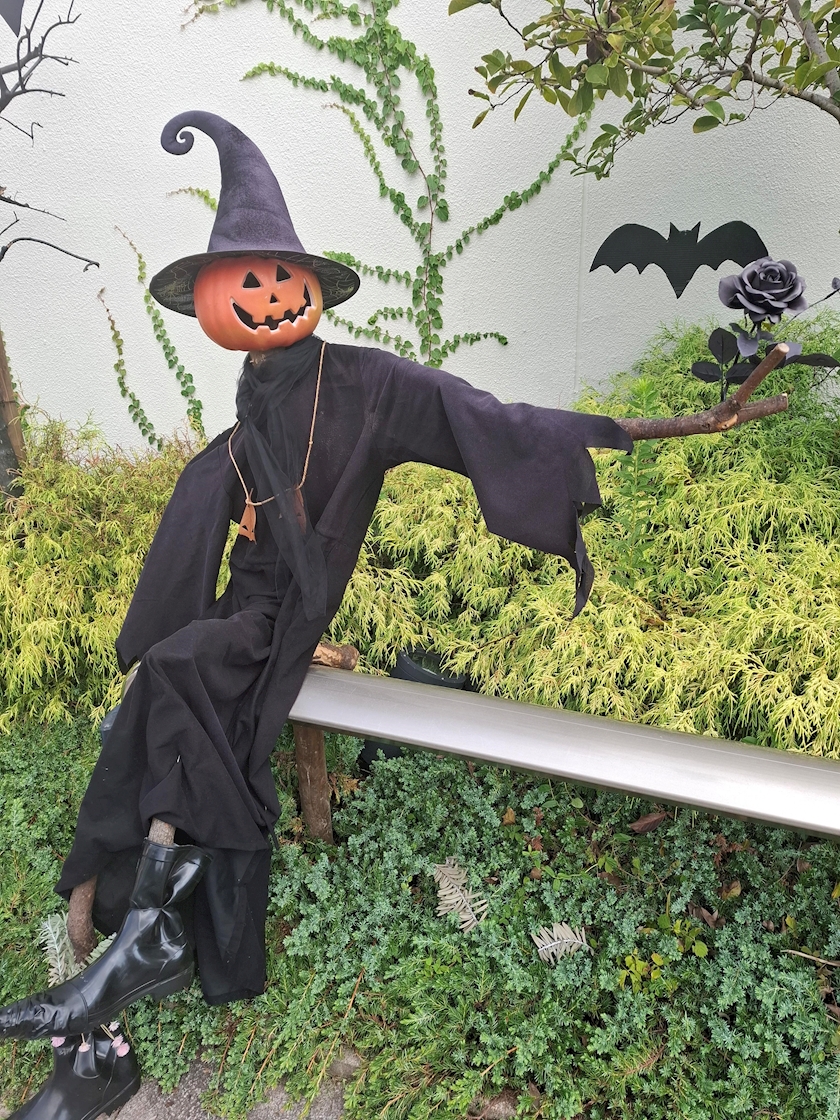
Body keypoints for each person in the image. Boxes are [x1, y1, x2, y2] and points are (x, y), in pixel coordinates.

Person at [0, 111, 632, 1115]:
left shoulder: (366, 385)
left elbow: (477, 415)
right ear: (212, 304)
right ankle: (125, 951)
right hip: (247, 607)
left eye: (280, 280)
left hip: (285, 619)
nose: (267, 297)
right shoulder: (252, 404)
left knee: (176, 675)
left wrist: (622, 427)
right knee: (171, 683)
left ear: (309, 288)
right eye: (245, 284)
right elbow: (222, 497)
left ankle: (127, 948)